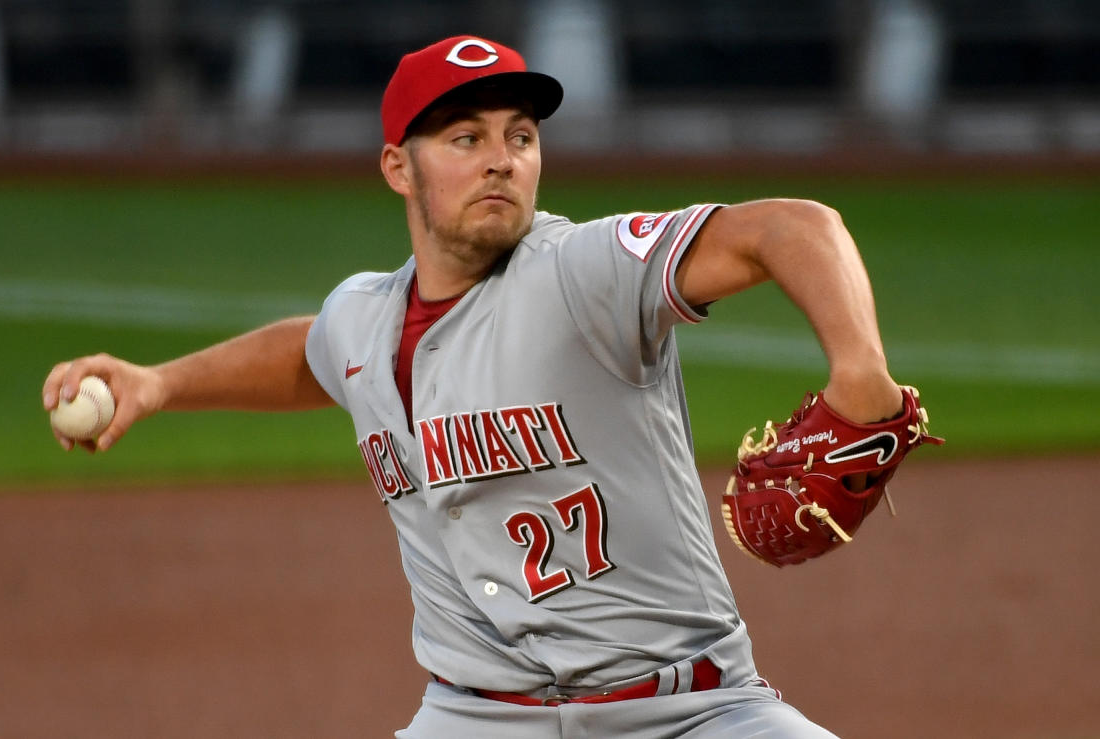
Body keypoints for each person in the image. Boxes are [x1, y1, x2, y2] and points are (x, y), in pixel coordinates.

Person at [44, 35, 904, 738]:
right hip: (473, 717)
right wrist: (156, 383)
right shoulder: (366, 317)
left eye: (519, 136)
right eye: (466, 138)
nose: (500, 160)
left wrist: (860, 375)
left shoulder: (581, 269)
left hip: (687, 712)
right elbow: (310, 353)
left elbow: (792, 227)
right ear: (397, 168)